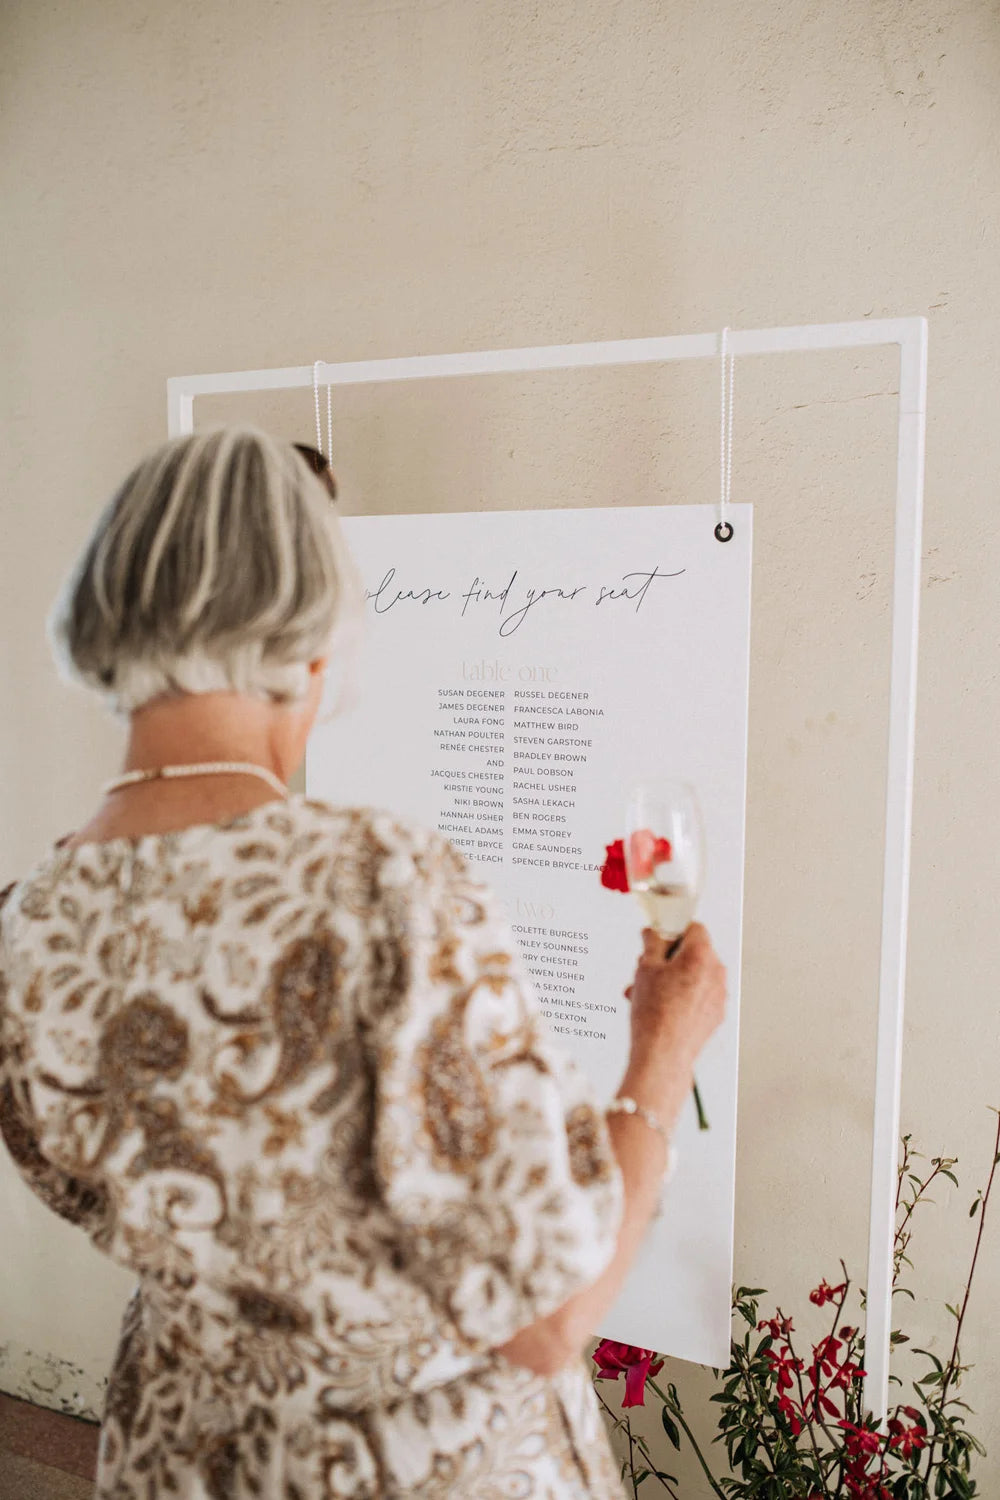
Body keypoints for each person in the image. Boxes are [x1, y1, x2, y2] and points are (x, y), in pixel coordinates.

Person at [0, 427, 726, 1500]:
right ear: (310, 634)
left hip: (181, 1457)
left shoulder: (24, 928)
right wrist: (664, 1050)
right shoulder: (380, 883)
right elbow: (547, 1315)